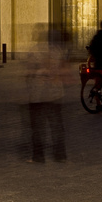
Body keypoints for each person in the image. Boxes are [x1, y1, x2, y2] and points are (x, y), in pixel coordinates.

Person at [22, 26, 68, 162]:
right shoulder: (57, 52)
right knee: (56, 126)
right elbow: (62, 70)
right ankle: (60, 155)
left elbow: (29, 72)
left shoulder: (34, 51)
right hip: (55, 94)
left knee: (37, 127)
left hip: (38, 95)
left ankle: (38, 156)